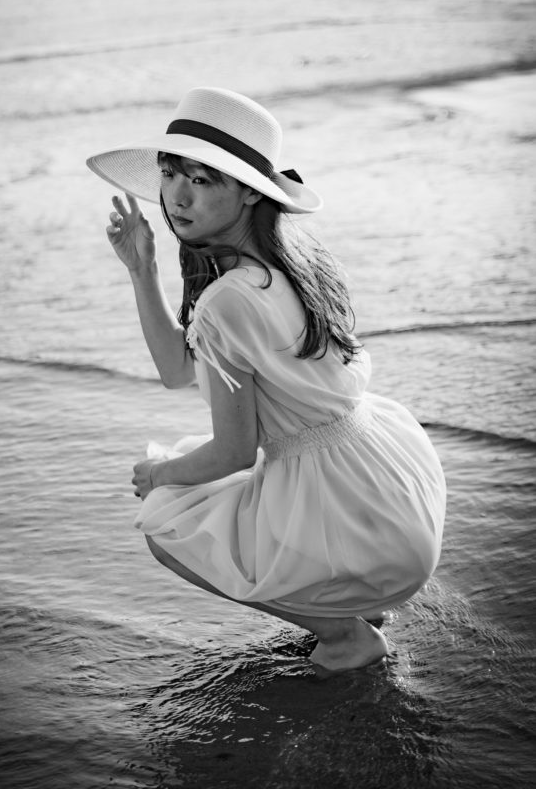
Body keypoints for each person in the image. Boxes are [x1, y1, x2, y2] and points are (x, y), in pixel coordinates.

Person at [86, 87, 446, 674]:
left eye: (202, 180)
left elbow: (233, 451)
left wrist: (157, 477)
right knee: (208, 485)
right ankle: (356, 601)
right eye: (171, 174)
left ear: (251, 190)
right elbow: (179, 371)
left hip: (349, 504)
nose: (177, 197)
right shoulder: (300, 262)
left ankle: (343, 634)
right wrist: (142, 268)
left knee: (166, 518)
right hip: (386, 492)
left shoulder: (228, 299)